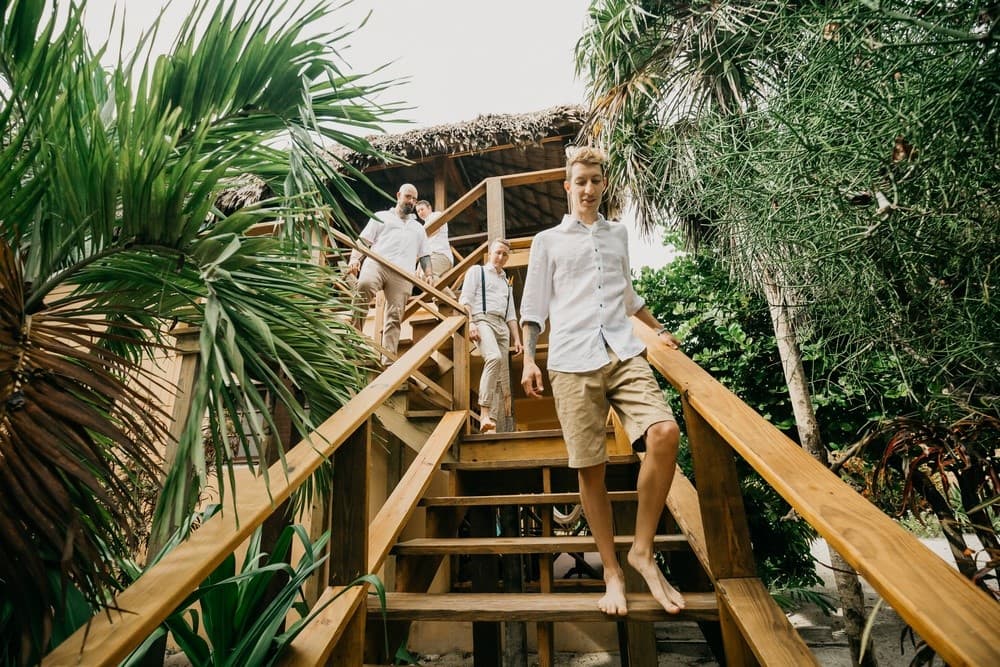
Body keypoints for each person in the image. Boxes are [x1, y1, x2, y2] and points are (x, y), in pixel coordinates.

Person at [519, 146, 686, 616]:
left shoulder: (618, 235)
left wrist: (656, 330)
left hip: (623, 349)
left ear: (603, 184)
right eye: (581, 181)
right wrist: (529, 360)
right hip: (571, 360)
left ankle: (642, 551)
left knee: (664, 432)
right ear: (567, 187)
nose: (588, 189)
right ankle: (612, 571)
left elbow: (626, 294)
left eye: (596, 180)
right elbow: (533, 308)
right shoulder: (547, 241)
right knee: (589, 468)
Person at [348, 183, 434, 365]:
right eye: (408, 197)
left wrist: (429, 274)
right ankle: (353, 340)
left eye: (414, 199)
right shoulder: (381, 217)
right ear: (398, 195)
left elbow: (425, 254)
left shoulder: (418, 228)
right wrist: (355, 259)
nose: (411, 201)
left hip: (402, 273)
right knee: (363, 287)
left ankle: (388, 360)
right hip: (377, 263)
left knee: (395, 315)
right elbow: (364, 240)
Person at [460, 238, 523, 433]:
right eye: (498, 252)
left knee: (499, 379)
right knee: (493, 358)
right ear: (490, 252)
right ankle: (484, 413)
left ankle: (490, 425)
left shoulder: (506, 281)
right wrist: (471, 322)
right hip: (482, 319)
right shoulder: (477, 271)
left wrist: (517, 338)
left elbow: (511, 313)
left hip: (502, 326)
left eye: (505, 254)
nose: (501, 257)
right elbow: (466, 299)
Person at [416, 200, 453, 281]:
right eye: (418, 211)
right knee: (420, 278)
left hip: (440, 254)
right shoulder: (424, 226)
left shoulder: (436, 215)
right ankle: (444, 294)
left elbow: (434, 230)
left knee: (426, 275)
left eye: (422, 209)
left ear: (429, 208)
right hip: (433, 257)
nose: (420, 212)